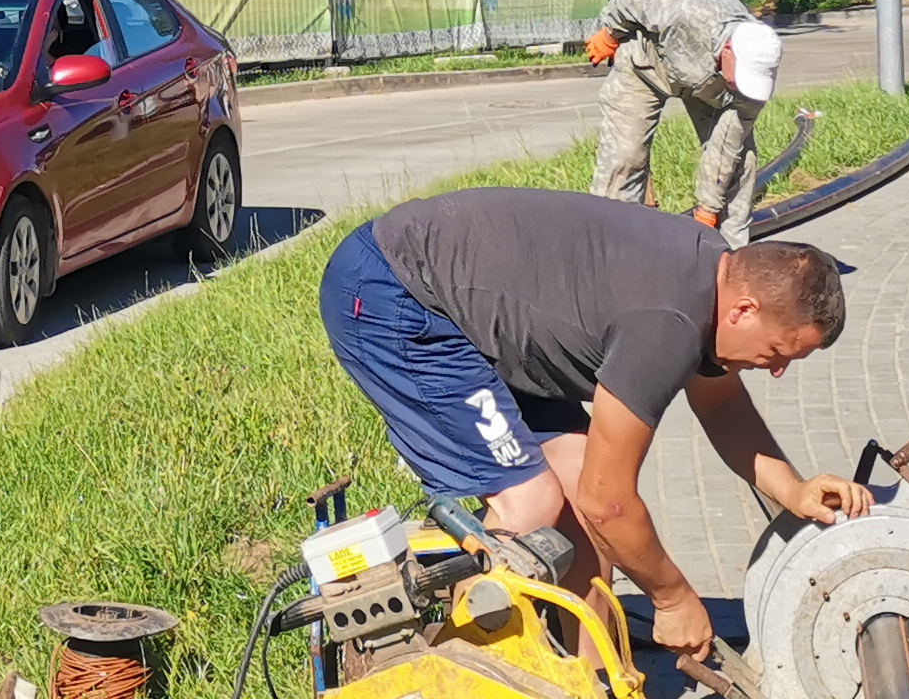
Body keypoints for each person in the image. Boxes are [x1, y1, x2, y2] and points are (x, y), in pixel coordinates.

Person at [317, 188, 862, 662]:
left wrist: (792, 489)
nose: (777, 370)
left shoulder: (713, 276)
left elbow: (720, 407)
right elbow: (611, 503)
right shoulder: (668, 324)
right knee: (529, 506)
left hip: (471, 310)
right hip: (396, 295)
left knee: (578, 488)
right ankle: (462, 690)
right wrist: (672, 598)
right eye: (777, 352)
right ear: (743, 310)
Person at [587, 0, 785, 242]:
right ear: (728, 51)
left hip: (707, 87)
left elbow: (727, 145)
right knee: (625, 156)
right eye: (741, 76)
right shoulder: (685, 9)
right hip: (646, 67)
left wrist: (708, 208)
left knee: (741, 164)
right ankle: (613, 244)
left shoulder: (756, 84)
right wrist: (610, 33)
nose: (743, 85)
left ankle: (730, 251)